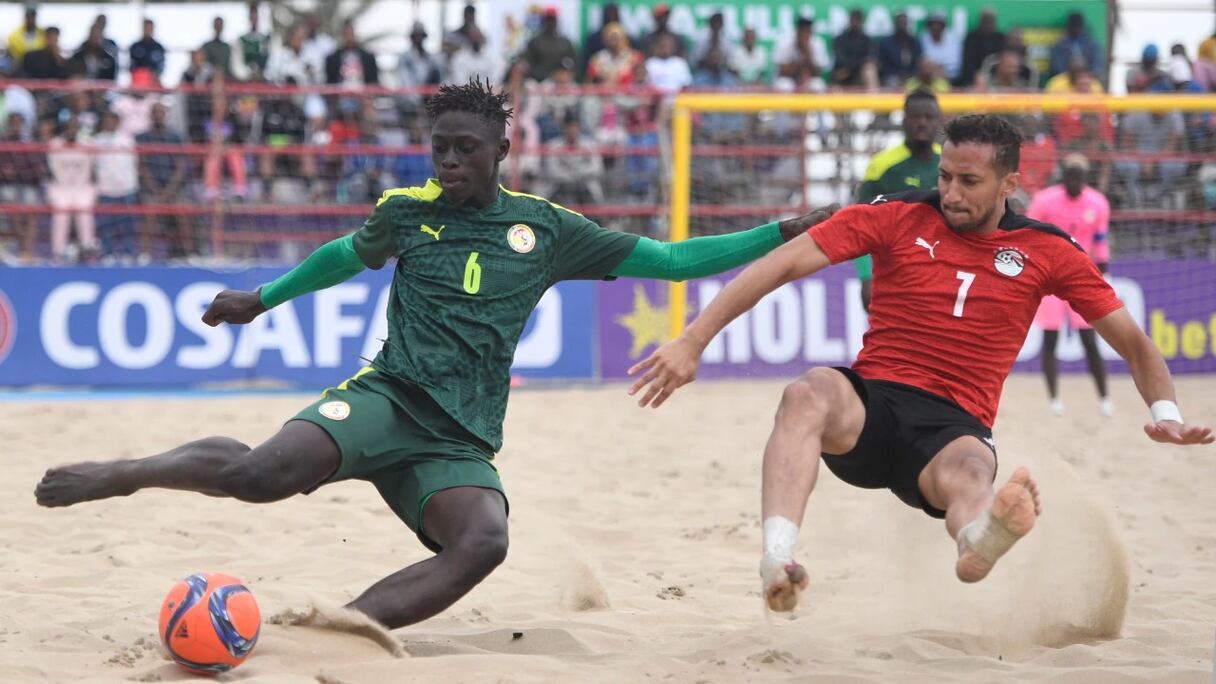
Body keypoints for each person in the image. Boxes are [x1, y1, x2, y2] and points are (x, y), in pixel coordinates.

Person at [33, 80, 836, 631]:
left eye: (464, 151)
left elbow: (669, 261)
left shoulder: (548, 229)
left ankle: (345, 627)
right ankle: (127, 471)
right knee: (259, 478)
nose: (448, 164)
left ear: (500, 151)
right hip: (386, 397)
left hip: (458, 440)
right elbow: (346, 257)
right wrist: (262, 298)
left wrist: (779, 232)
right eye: (438, 150)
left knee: (485, 540)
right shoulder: (407, 213)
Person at [626, 114, 1212, 614]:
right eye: (945, 176)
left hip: (952, 426)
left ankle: (980, 539)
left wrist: (1166, 412)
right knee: (806, 392)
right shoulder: (896, 215)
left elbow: (1133, 341)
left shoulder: (1048, 250)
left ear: (1010, 182)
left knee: (973, 475)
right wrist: (693, 340)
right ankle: (777, 558)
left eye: (970, 181)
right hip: (871, 407)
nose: (952, 193)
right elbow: (780, 265)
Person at [1026, 155, 1112, 417]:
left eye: (1078, 176)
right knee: (1050, 339)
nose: (1073, 181)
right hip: (1050, 278)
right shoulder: (1044, 201)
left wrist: (1103, 265)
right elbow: (1030, 234)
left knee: (1090, 339)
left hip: (1080, 277)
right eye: (1069, 175)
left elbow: (1101, 239)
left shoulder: (1098, 203)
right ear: (1063, 176)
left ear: (1085, 178)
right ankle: (1054, 399)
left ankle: (1104, 398)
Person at [853, 90, 942, 311]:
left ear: (939, 122)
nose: (922, 123)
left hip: (943, 270)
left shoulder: (950, 163)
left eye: (929, 118)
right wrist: (867, 277)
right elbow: (859, 222)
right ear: (903, 121)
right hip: (895, 271)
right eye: (915, 117)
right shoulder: (882, 166)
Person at [523, 7, 576, 82]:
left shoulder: (565, 42)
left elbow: (573, 63)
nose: (551, 22)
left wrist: (565, 74)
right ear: (543, 21)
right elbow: (528, 65)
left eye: (553, 19)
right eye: (548, 19)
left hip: (562, 83)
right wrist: (549, 75)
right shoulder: (535, 42)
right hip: (539, 83)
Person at [1049, 12, 1103, 80]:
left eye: (1078, 27)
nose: (1076, 30)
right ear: (1068, 27)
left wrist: (1087, 76)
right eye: (1073, 27)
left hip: (1088, 79)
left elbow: (1097, 65)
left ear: (1082, 27)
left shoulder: (1091, 44)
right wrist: (1072, 78)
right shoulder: (1059, 45)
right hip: (1065, 80)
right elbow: (1058, 68)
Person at [960, 9, 1005, 87]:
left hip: (995, 79)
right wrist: (975, 76)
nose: (988, 23)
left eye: (990, 20)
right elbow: (967, 61)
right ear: (980, 20)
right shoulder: (971, 37)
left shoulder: (1000, 38)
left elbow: (1001, 59)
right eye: (985, 19)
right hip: (973, 79)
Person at [877, 12, 921, 87]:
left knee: (917, 84)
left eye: (904, 23)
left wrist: (910, 74)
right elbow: (883, 64)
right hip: (892, 76)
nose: (902, 25)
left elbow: (918, 62)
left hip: (911, 76)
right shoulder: (886, 42)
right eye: (900, 23)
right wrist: (897, 74)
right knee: (892, 82)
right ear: (895, 24)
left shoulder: (914, 42)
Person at [831, 8, 873, 87]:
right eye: (854, 19)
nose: (856, 23)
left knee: (869, 69)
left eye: (858, 19)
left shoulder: (867, 40)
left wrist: (851, 69)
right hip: (842, 73)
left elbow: (868, 59)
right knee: (838, 74)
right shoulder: (840, 39)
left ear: (862, 21)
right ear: (849, 20)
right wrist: (853, 66)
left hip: (858, 73)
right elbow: (840, 60)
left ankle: (874, 98)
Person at [920, 11, 961, 83]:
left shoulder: (953, 39)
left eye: (939, 24)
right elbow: (923, 62)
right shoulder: (923, 39)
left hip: (952, 78)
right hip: (930, 79)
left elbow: (955, 63)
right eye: (933, 24)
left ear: (944, 26)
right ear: (929, 26)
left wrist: (942, 70)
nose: (936, 27)